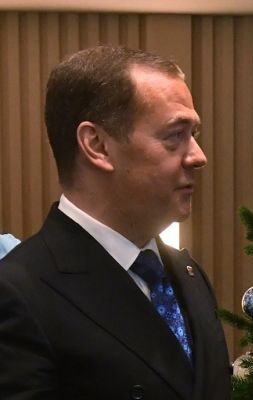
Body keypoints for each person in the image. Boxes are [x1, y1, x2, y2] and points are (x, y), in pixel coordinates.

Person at [0, 46, 230, 399]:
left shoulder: (189, 274)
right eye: (175, 135)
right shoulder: (18, 293)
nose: (199, 157)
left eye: (194, 134)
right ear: (97, 145)